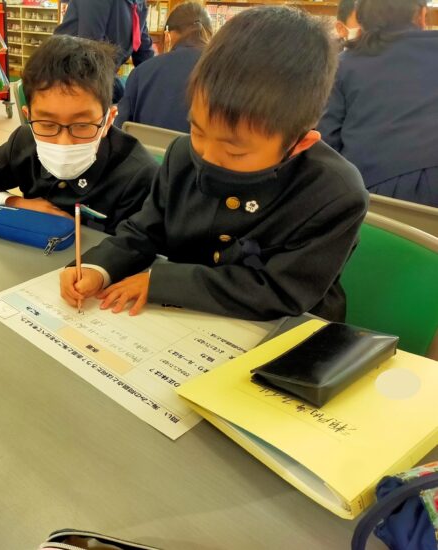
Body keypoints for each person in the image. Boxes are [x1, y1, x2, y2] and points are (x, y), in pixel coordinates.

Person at [60, 7, 369, 322]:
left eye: (235, 151)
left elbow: (279, 290)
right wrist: (100, 267)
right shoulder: (182, 154)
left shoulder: (334, 192)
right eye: (198, 130)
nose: (206, 156)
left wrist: (162, 282)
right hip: (183, 323)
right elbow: (144, 230)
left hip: (284, 332)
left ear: (299, 143)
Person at [0, 35, 157, 235]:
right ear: (28, 117)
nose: (64, 142)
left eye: (82, 125)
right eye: (47, 124)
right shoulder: (24, 141)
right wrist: (14, 202)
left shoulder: (140, 176)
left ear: (109, 120)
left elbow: (139, 247)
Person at [318, 0, 438, 207]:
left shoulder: (343, 65)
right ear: (421, 15)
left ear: (362, 20)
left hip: (373, 200)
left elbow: (326, 143)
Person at [115, 1, 213, 133]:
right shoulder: (226, 72)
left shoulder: (141, 73)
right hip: (202, 153)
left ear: (167, 36)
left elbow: (119, 129)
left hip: (148, 152)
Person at [54, 0, 155, 103]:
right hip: (67, 78)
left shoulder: (138, 4)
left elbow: (144, 53)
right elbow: (90, 51)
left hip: (97, 76)